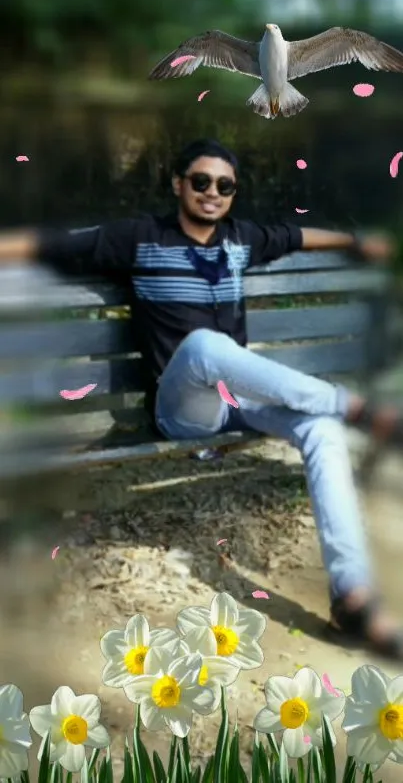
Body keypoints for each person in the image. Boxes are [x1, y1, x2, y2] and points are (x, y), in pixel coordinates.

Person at [0, 137, 402, 658]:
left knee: (319, 430)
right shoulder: (140, 238)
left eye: (225, 185)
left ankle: (352, 598)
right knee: (205, 346)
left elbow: (299, 236)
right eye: (201, 181)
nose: (212, 193)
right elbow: (49, 247)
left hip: (237, 403)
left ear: (233, 194)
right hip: (183, 408)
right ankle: (354, 408)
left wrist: (354, 244)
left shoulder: (242, 239)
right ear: (178, 184)